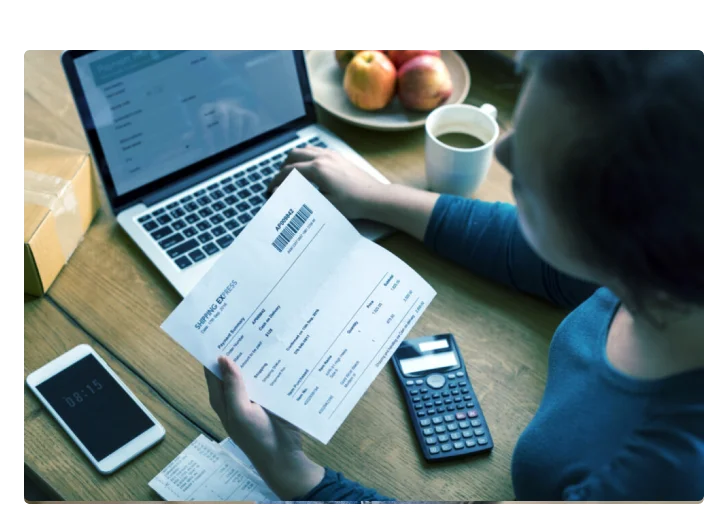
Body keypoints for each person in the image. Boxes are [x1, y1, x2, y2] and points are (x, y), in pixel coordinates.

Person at [204, 49, 704, 502]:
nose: (504, 154)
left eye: (532, 175)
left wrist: (295, 475)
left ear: (625, 222)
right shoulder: (669, 268)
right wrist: (374, 196)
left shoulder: (662, 476)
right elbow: (542, 256)